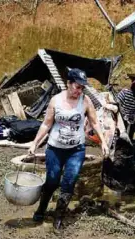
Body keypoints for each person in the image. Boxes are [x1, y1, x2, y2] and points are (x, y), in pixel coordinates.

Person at [28, 68, 109, 229]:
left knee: (69, 181)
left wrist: (103, 142)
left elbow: (94, 123)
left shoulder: (85, 101)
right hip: (55, 148)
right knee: (52, 180)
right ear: (68, 84)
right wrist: (35, 143)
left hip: (76, 150)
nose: (79, 91)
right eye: (77, 87)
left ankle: (59, 216)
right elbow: (46, 124)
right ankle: (42, 208)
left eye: (82, 88)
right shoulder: (55, 101)